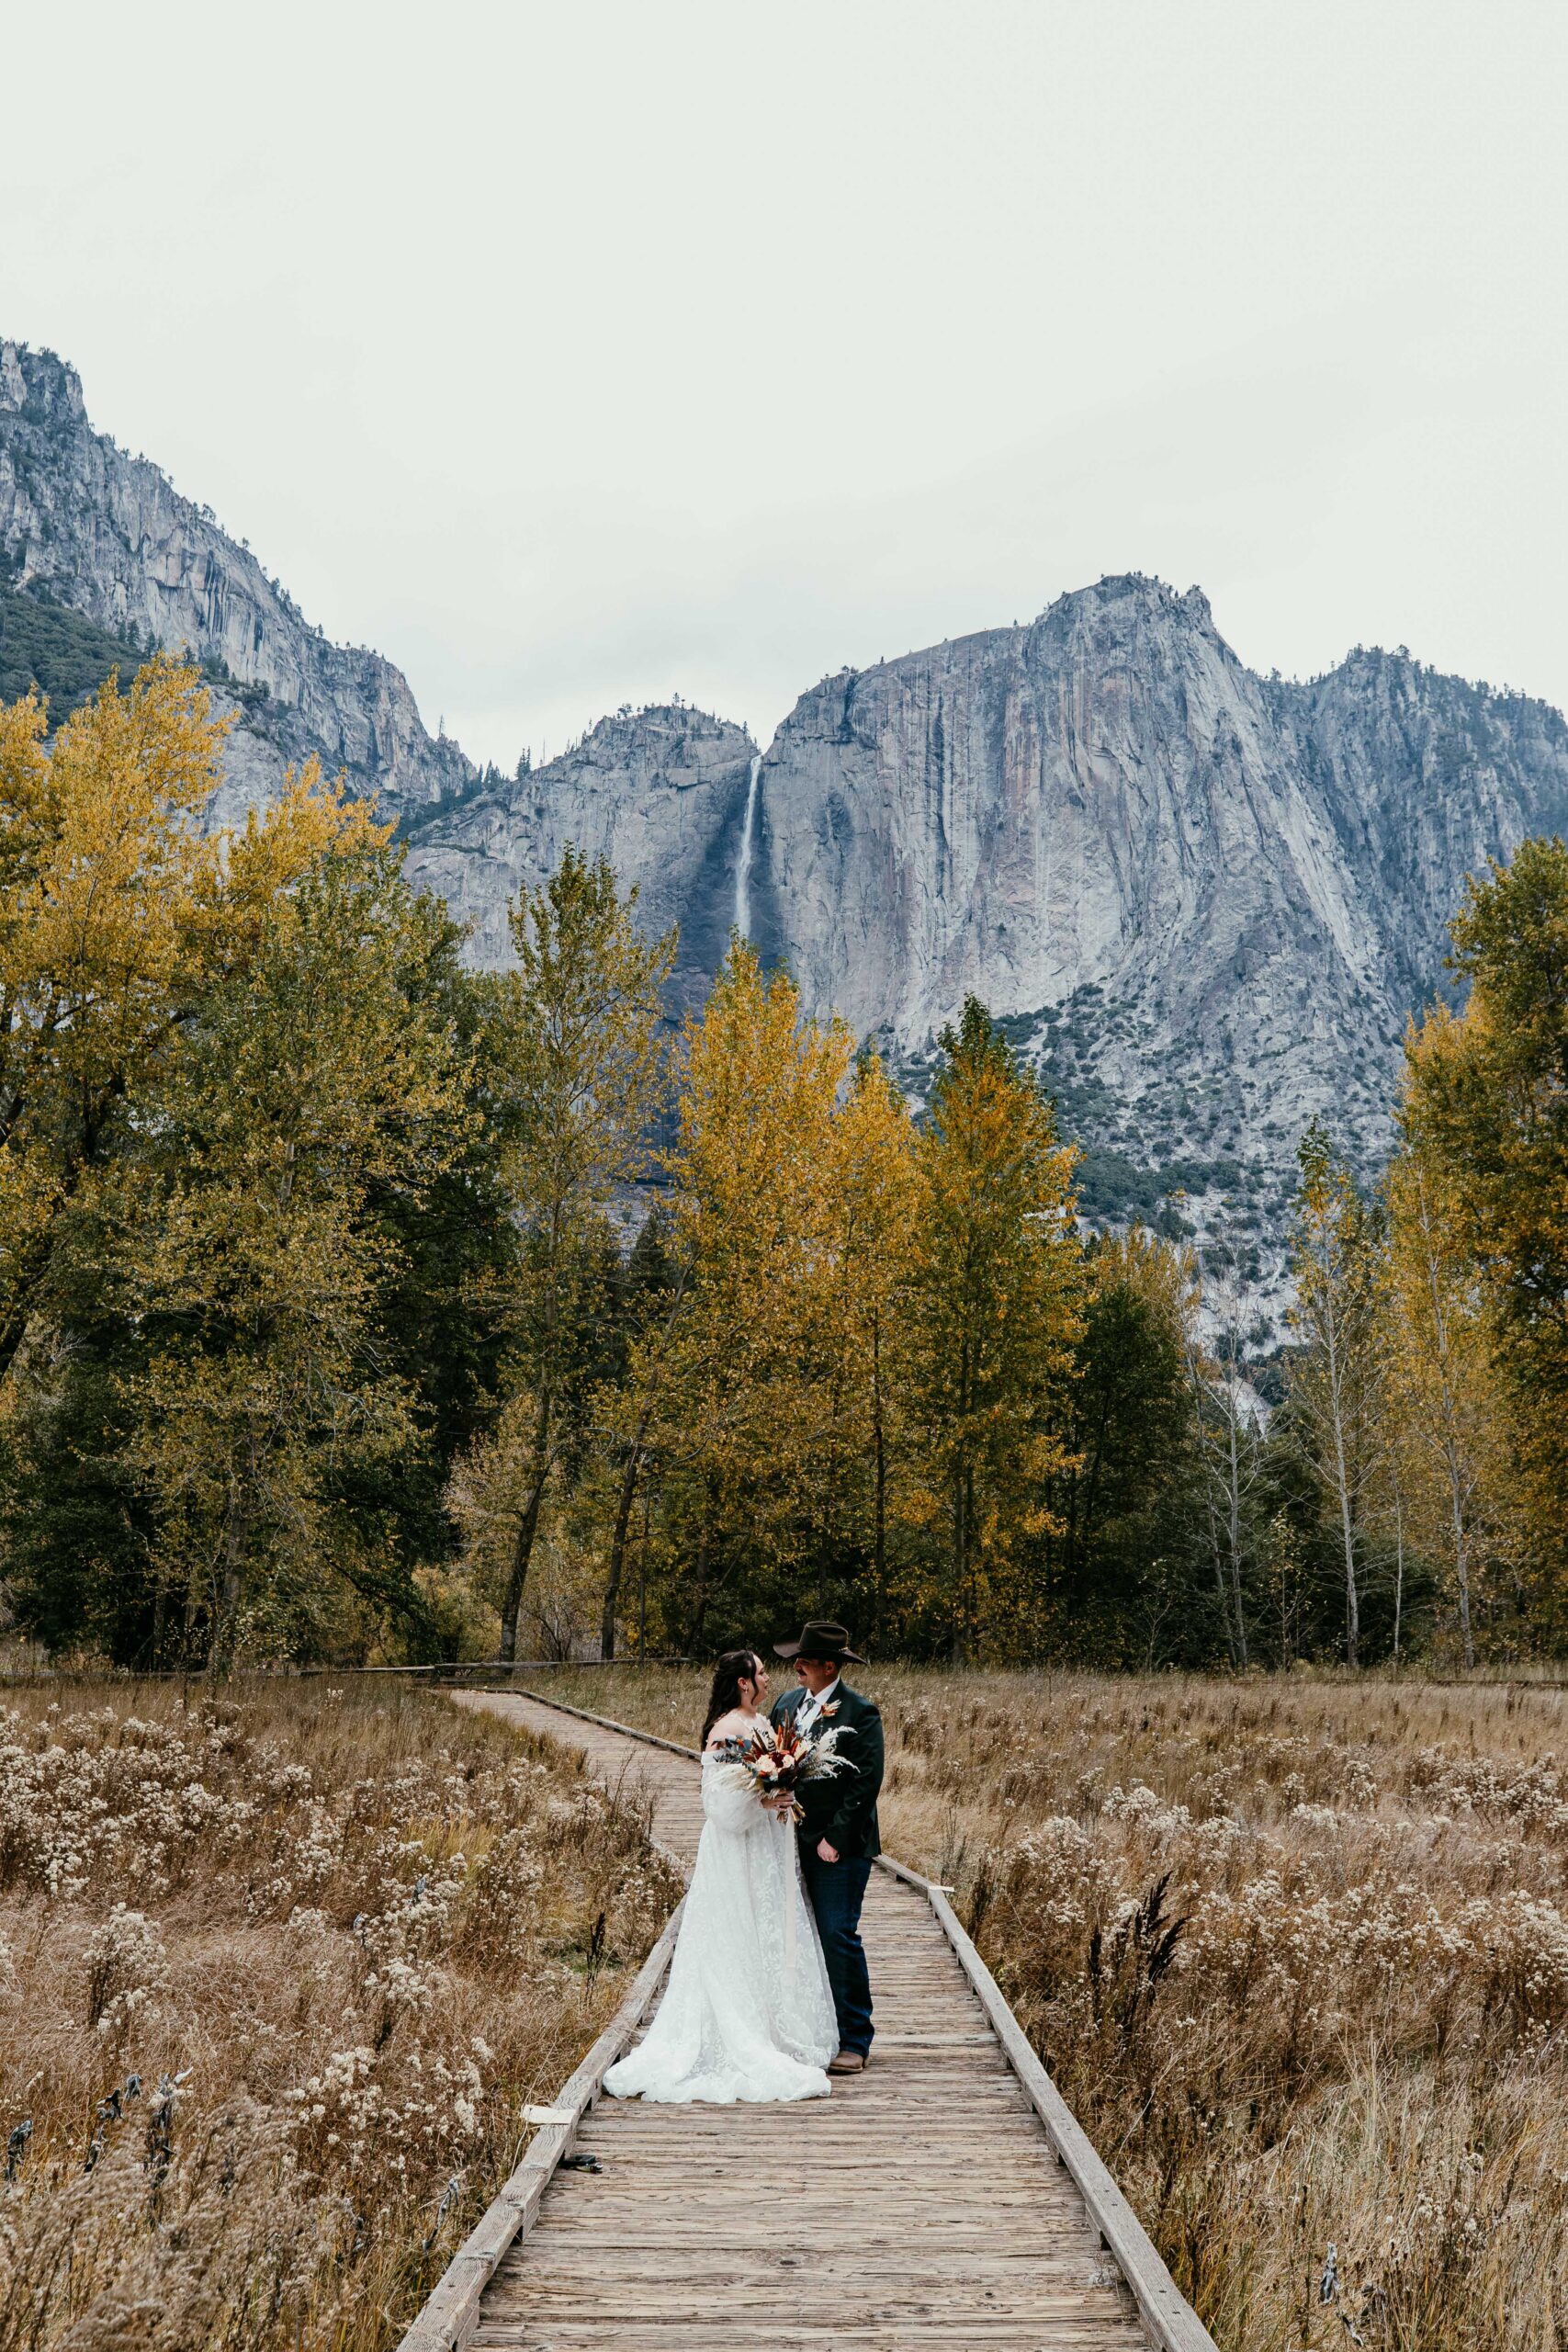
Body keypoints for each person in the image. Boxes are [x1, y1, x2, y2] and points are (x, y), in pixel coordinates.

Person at [602, 1647, 837, 2103]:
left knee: (765, 1927)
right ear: (744, 1682)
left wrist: (781, 1790)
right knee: (734, 1934)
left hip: (764, 1847)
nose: (769, 1679)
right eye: (762, 1673)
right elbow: (720, 1805)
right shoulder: (726, 1730)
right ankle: (738, 2032)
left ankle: (776, 2028)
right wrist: (764, 1801)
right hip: (735, 1848)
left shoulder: (764, 1725)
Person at [770, 1620, 884, 2075]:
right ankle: (810, 2032)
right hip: (787, 1840)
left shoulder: (860, 1711)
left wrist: (834, 1838)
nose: (796, 1667)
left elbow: (866, 1780)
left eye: (805, 1661)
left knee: (837, 1933)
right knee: (795, 1936)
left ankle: (855, 2039)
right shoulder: (787, 1703)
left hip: (839, 1846)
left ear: (829, 1666)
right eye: (796, 1660)